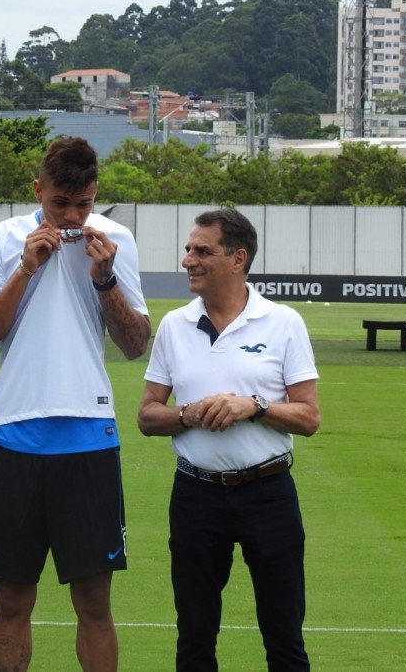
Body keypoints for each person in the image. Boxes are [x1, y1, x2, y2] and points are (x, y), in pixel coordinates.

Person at [0, 136, 151, 671]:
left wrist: (106, 278)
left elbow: (136, 346)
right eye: (59, 204)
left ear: (95, 194)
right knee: (13, 600)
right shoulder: (2, 238)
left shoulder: (115, 241)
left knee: (94, 604)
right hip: (13, 437)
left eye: (83, 204)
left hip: (88, 436)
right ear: (37, 189)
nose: (71, 216)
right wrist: (25, 268)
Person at [137, 208, 321, 672]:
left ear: (238, 259)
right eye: (188, 249)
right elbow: (147, 416)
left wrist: (253, 406)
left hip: (268, 495)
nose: (188, 260)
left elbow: (308, 417)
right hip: (195, 496)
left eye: (203, 251)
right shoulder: (175, 325)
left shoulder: (283, 322)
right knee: (194, 640)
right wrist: (187, 414)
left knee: (284, 639)